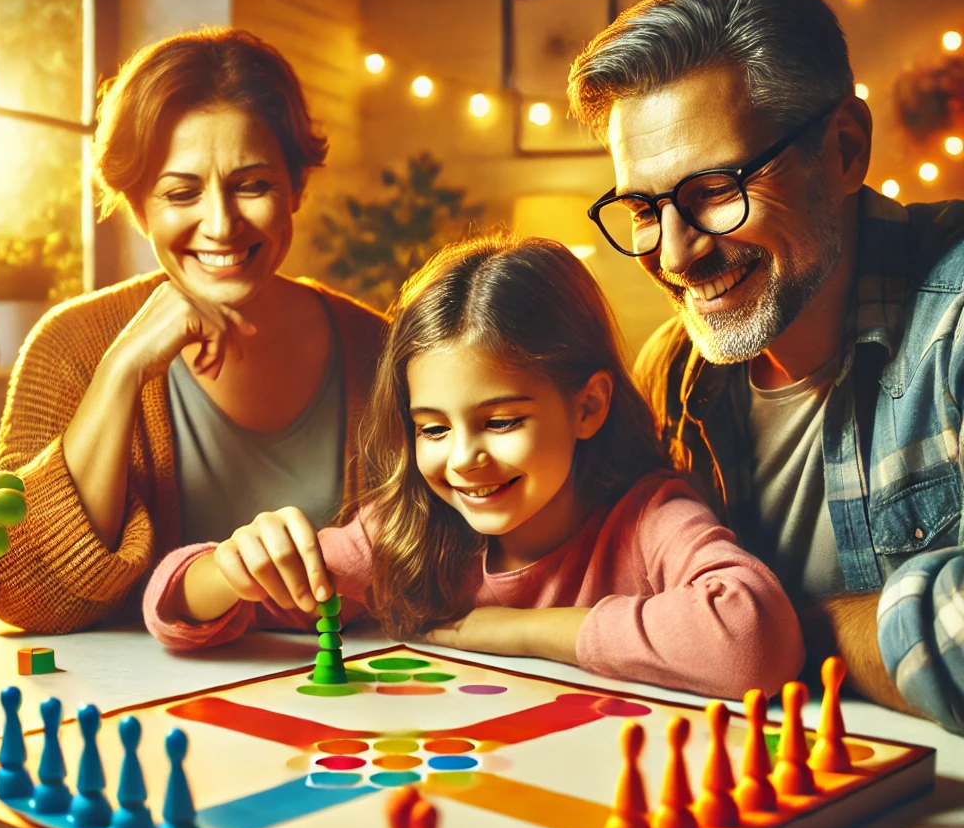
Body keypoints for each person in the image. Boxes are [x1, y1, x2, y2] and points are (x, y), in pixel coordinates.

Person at [143, 235, 803, 700]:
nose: (463, 460)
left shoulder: (650, 517)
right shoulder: (405, 535)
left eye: (502, 421)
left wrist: (509, 630)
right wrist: (230, 569)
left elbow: (753, 638)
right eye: (432, 428)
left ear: (589, 406)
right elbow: (172, 607)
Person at [567, 0, 964, 730]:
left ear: (845, 150)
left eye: (715, 191)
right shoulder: (671, 375)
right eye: (643, 208)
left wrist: (768, 636)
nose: (675, 256)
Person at [0, 28, 386, 633]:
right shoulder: (70, 344)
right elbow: (22, 596)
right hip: (139, 710)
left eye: (252, 184)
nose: (219, 224)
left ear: (295, 187)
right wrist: (120, 372)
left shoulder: (379, 349)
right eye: (181, 192)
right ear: (139, 207)